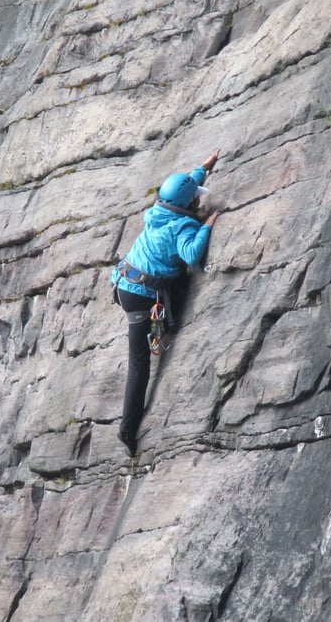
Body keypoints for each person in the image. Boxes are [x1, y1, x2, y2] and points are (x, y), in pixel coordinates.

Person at [111, 149, 223, 456]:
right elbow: (190, 255)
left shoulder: (159, 210)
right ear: (188, 203)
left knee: (174, 277)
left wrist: (204, 168)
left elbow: (181, 189)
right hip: (142, 298)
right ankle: (127, 429)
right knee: (139, 365)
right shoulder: (183, 226)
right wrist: (207, 226)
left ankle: (165, 323)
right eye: (196, 198)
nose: (200, 201)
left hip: (125, 284)